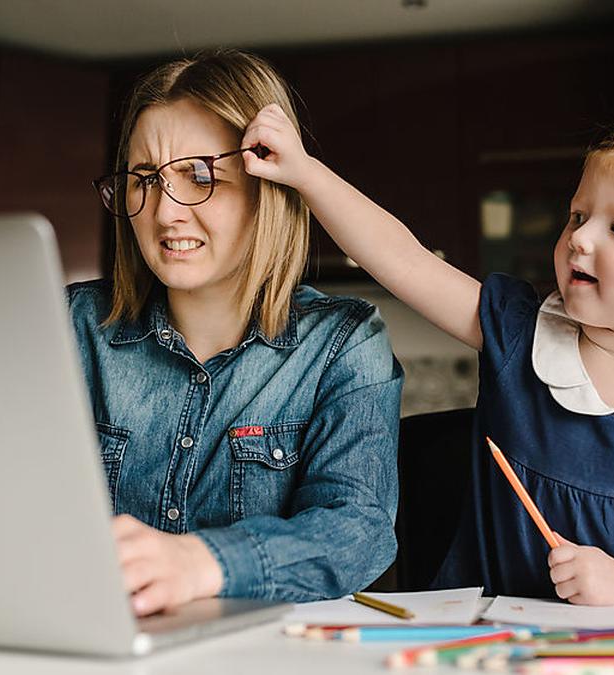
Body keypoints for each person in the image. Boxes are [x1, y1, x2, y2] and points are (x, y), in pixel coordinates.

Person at [243, 105, 614, 604]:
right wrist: (305, 173)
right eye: (578, 216)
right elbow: (405, 262)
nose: (580, 238)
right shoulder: (518, 333)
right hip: (496, 635)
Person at [67, 50, 403, 616]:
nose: (165, 212)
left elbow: (358, 532)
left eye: (200, 176)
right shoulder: (74, 327)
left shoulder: (342, 344)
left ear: (267, 188)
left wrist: (203, 563)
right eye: (145, 179)